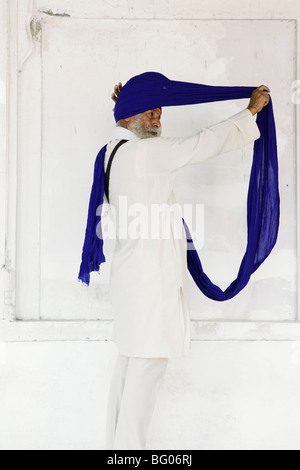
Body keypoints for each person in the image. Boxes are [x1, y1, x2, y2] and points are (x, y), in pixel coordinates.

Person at [104, 79, 270, 450]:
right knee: (144, 372)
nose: (157, 117)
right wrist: (250, 113)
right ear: (128, 115)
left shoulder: (112, 151)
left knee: (129, 368)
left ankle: (115, 447)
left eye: (159, 110)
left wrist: (129, 104)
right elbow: (202, 143)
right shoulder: (144, 154)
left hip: (133, 278)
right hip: (147, 281)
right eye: (150, 111)